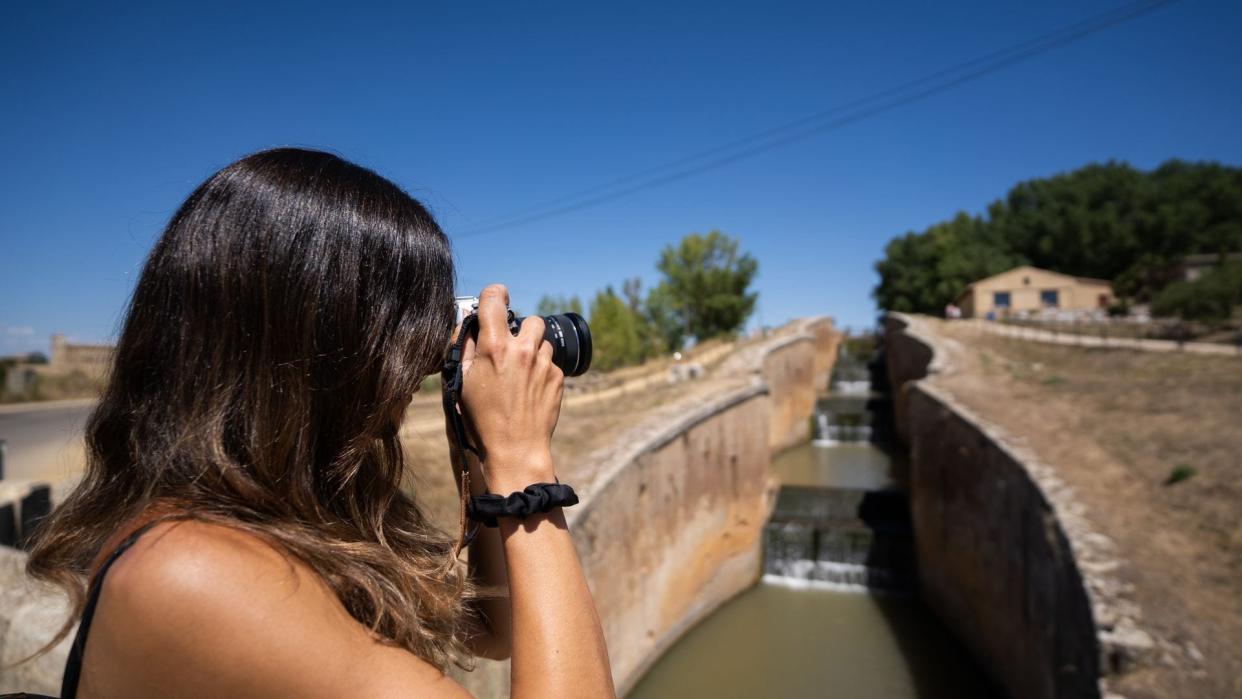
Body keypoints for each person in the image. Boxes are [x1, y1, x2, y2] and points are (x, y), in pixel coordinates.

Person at [21, 148, 615, 698]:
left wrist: (486, 451)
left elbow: (491, 627)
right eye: (403, 323)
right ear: (326, 341)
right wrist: (525, 460)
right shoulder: (192, 570)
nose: (419, 359)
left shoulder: (294, 513)